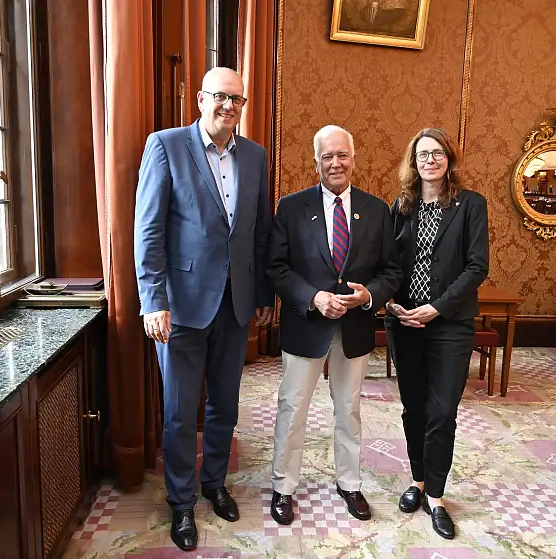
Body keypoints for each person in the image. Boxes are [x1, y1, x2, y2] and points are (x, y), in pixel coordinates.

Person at [134, 67, 273, 551]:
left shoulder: (255, 156)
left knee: (225, 405)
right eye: (219, 97)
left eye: (237, 99)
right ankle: (180, 503)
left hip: (235, 306)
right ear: (200, 99)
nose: (228, 106)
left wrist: (261, 298)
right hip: (181, 307)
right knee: (178, 412)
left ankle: (214, 483)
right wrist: (153, 300)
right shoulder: (166, 145)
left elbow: (259, 232)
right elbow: (148, 229)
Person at [266, 125, 402, 526]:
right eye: (327, 156)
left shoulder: (376, 210)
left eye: (342, 155)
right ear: (316, 162)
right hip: (306, 324)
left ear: (354, 158)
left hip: (356, 327)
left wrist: (369, 295)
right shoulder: (291, 207)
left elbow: (392, 270)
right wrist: (314, 297)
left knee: (348, 408)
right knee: (293, 408)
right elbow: (276, 267)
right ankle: (283, 487)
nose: (336, 163)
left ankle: (349, 482)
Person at [384, 128, 489, 539]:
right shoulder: (402, 206)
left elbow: (477, 266)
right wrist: (392, 304)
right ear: (413, 161)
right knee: (414, 409)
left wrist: (438, 307)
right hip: (405, 322)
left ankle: (437, 497)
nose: (430, 160)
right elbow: (388, 263)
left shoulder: (470, 205)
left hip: (449, 324)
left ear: (449, 158)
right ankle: (419, 481)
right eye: (422, 154)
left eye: (437, 153)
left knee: (443, 411)